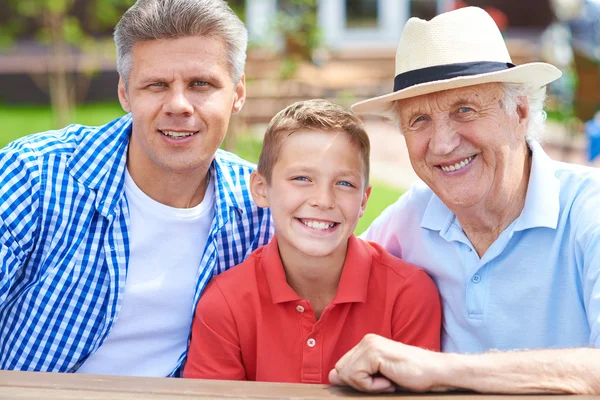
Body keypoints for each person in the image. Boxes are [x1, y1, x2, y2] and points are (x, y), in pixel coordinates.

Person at [328, 6, 600, 395]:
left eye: (465, 110)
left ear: (519, 112)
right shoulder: (406, 222)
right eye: (419, 120)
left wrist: (440, 370)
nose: (442, 144)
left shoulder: (590, 209)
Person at [0, 0, 272, 377]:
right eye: (156, 85)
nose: (178, 105)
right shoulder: (34, 175)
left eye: (201, 84)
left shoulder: (263, 210)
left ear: (238, 93)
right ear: (125, 93)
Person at [182, 99, 442, 383]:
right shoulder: (224, 303)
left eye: (344, 183)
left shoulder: (408, 296)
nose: (323, 200)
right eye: (302, 178)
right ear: (261, 189)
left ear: (364, 201)